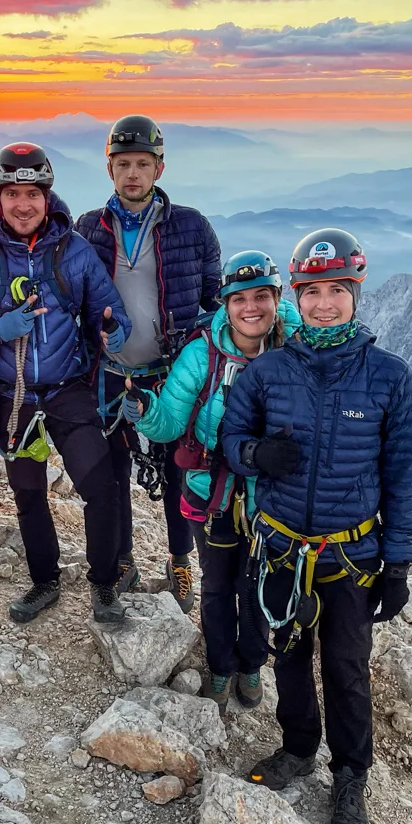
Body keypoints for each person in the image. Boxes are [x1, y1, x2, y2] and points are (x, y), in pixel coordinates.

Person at [220, 228, 412, 824]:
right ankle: (299, 747)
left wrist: (397, 563)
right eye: (313, 291)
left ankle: (350, 775)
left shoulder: (389, 379)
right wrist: (257, 454)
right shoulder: (267, 372)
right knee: (289, 656)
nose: (325, 303)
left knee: (346, 666)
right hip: (281, 546)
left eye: (338, 290)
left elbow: (401, 475)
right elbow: (230, 442)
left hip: (351, 553)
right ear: (296, 298)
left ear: (357, 294)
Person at [0, 142, 132, 624]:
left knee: (101, 487)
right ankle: (44, 581)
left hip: (69, 390)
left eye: (32, 193)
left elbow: (110, 312)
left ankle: (104, 583)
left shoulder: (74, 252)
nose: (22, 204)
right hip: (15, 400)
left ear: (47, 197)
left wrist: (113, 330)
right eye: (12, 193)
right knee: (29, 496)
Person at [121, 251, 301, 713]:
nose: (251, 307)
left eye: (261, 296)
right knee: (219, 584)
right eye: (239, 298)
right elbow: (170, 422)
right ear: (226, 303)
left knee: (257, 583)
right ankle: (222, 667)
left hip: (273, 500)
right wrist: (146, 413)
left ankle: (252, 663)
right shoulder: (203, 353)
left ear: (276, 298)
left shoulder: (297, 348)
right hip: (212, 492)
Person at [76, 115, 222, 611]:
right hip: (110, 374)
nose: (132, 173)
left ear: (159, 168)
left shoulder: (192, 227)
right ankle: (121, 559)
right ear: (109, 169)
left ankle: (179, 562)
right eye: (123, 164)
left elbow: (214, 300)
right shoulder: (88, 229)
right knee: (113, 471)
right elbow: (74, 297)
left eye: (142, 163)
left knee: (178, 470)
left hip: (170, 374)